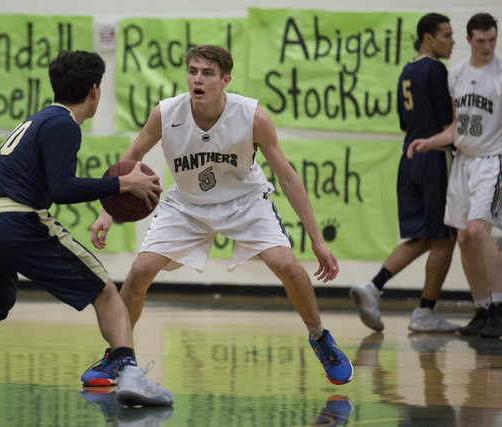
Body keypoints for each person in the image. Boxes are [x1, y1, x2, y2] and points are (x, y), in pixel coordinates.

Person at [0, 50, 173, 407]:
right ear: (95, 90)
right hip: (13, 220)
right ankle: (130, 374)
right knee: (105, 291)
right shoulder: (64, 125)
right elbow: (60, 189)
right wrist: (121, 185)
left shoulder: (38, 120)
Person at [83, 44, 353, 386]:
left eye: (207, 73)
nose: (197, 79)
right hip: (186, 204)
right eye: (193, 71)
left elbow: (286, 176)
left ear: (225, 80)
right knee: (138, 272)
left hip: (245, 201)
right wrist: (108, 209)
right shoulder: (166, 113)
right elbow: (131, 158)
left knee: (286, 265)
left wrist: (317, 240)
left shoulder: (252, 116)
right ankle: (118, 357)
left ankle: (319, 338)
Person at [408, 13, 502, 338]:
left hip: (492, 161)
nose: (487, 46)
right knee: (462, 238)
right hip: (464, 162)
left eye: (492, 40)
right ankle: (483, 309)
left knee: (478, 231)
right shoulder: (456, 74)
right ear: (470, 39)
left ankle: (501, 310)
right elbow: (457, 128)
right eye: (481, 40)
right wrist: (429, 142)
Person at [350, 13, 459, 333]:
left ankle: (373, 286)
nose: (452, 42)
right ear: (428, 37)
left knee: (425, 235)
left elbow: (403, 123)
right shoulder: (437, 70)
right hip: (434, 157)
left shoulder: (407, 71)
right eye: (447, 35)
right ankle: (426, 311)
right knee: (445, 238)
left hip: (408, 158)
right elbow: (446, 126)